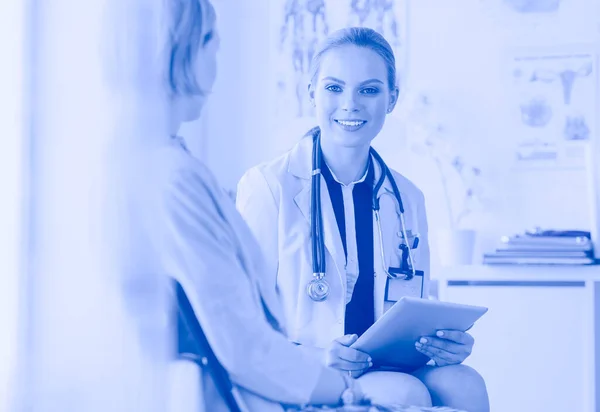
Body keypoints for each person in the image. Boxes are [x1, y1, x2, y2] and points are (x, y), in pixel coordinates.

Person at [114, 1, 379, 411]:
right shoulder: (174, 179)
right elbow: (243, 346)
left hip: (280, 380)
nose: (216, 57)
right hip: (259, 390)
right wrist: (347, 393)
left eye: (369, 89)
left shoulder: (167, 163)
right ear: (180, 49)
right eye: (210, 42)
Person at [236, 27, 490, 412]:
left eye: (369, 90)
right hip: (306, 366)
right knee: (405, 395)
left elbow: (410, 310)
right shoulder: (268, 187)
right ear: (312, 93)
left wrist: (440, 345)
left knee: (465, 384)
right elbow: (243, 321)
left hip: (384, 364)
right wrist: (318, 356)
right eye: (334, 88)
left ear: (391, 100)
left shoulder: (407, 198)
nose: (350, 104)